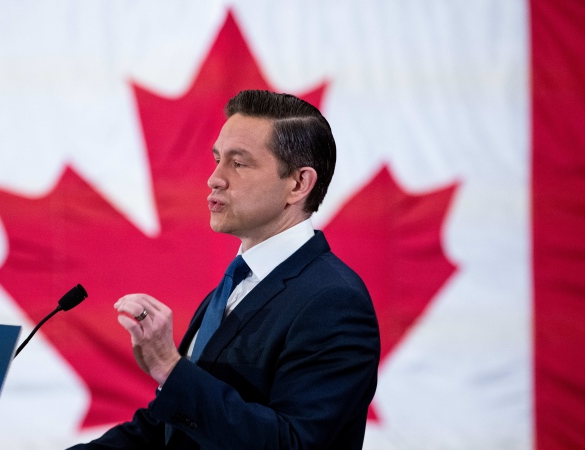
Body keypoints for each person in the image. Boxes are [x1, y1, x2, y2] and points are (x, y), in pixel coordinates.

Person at [68, 90, 380, 449]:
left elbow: (293, 444)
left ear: (298, 184)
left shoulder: (334, 301)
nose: (214, 178)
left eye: (239, 163)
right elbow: (167, 430)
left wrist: (171, 369)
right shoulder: (237, 283)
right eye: (217, 159)